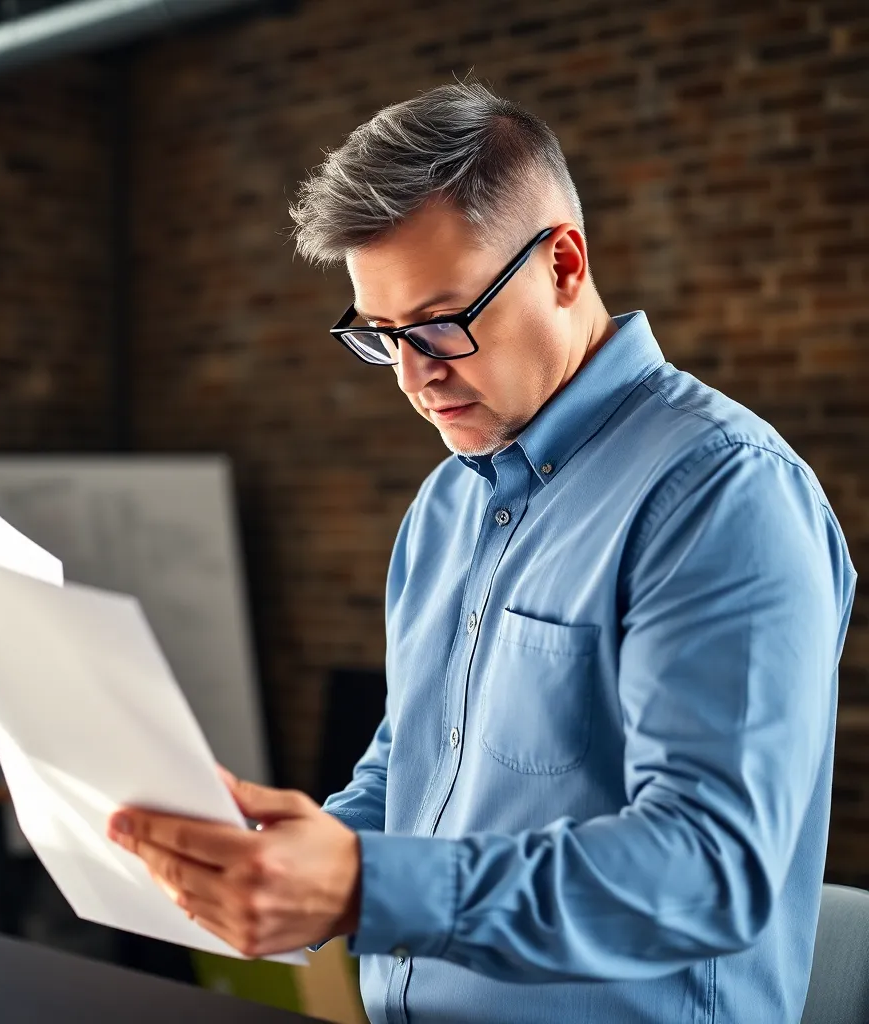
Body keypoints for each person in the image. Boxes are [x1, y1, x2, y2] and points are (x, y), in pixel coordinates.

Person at [107, 81, 857, 1024]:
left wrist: (363, 887)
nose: (417, 378)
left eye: (441, 322)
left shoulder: (722, 493)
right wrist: (287, 864)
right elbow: (416, 771)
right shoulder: (443, 506)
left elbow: (709, 871)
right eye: (382, 338)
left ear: (564, 264)